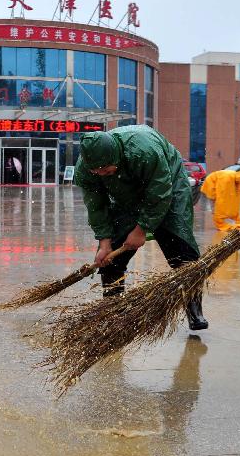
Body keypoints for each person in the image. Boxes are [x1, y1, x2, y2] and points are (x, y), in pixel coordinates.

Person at [74, 126, 208, 331]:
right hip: (125, 195)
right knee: (110, 260)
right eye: (97, 171)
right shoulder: (87, 168)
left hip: (167, 186)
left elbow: (159, 193)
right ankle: (112, 310)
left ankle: (194, 309)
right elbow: (96, 205)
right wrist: (104, 241)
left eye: (106, 169)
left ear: (116, 156)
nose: (101, 173)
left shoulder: (144, 150)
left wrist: (141, 230)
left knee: (181, 250)